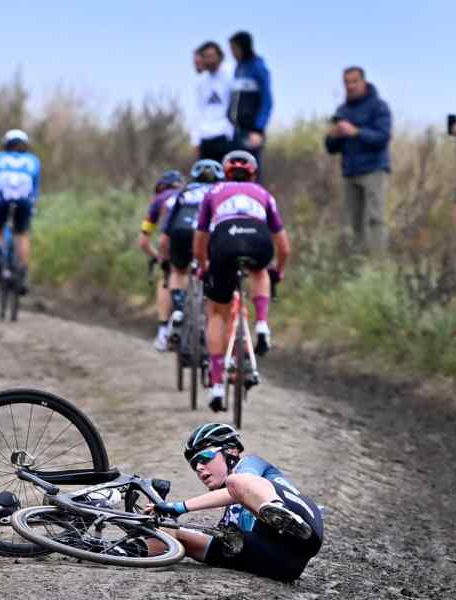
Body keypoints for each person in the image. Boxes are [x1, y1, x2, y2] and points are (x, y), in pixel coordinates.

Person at [147, 423, 324, 582]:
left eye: (204, 458)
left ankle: (279, 510)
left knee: (236, 482)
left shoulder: (250, 464)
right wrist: (157, 520)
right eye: (194, 465)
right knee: (171, 532)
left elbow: (237, 488)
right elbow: (220, 540)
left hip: (305, 531)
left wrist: (178, 507)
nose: (199, 468)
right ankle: (130, 551)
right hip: (281, 564)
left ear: (231, 451)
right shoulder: (232, 511)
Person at [194, 150, 290, 411]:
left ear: (224, 173)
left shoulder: (213, 192)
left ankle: (215, 385)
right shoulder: (264, 194)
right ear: (253, 173)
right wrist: (278, 272)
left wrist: (205, 267)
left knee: (217, 312)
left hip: (224, 241)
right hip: (258, 239)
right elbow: (284, 246)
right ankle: (261, 324)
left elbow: (200, 240)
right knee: (260, 272)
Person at [324, 67, 392, 255]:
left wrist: (356, 132)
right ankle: (355, 263)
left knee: (375, 219)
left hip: (374, 170)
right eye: (347, 83)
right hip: (349, 172)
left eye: (354, 82)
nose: (350, 86)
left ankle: (378, 263)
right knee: (351, 221)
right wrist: (334, 135)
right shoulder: (342, 110)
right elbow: (331, 147)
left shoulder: (379, 106)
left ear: (364, 82)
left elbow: (383, 137)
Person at [159, 159, 225, 348]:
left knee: (178, 271)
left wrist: (164, 259)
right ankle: (210, 317)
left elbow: (165, 234)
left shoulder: (183, 194)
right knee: (213, 272)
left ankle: (179, 309)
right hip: (209, 234)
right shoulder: (220, 192)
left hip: (180, 231)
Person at [0, 129, 42, 293]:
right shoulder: (33, 161)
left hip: (1, 200)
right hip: (25, 202)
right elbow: (35, 188)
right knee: (22, 234)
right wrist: (33, 206)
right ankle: (24, 273)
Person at [140, 170, 185, 350]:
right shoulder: (192, 194)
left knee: (168, 275)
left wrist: (158, 258)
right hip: (200, 239)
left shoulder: (158, 200)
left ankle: (163, 331)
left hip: (173, 241)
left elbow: (143, 242)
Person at [227, 32, 273, 177]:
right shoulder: (238, 68)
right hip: (236, 131)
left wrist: (258, 129)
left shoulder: (258, 67)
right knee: (234, 174)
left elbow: (267, 101)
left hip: (251, 132)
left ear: (244, 47)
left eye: (234, 48)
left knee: (251, 173)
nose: (232, 53)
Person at [191, 41, 235, 162]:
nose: (209, 60)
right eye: (205, 57)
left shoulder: (231, 74)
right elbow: (198, 111)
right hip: (205, 137)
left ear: (220, 56)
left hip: (225, 136)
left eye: (212, 56)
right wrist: (195, 140)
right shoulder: (201, 81)